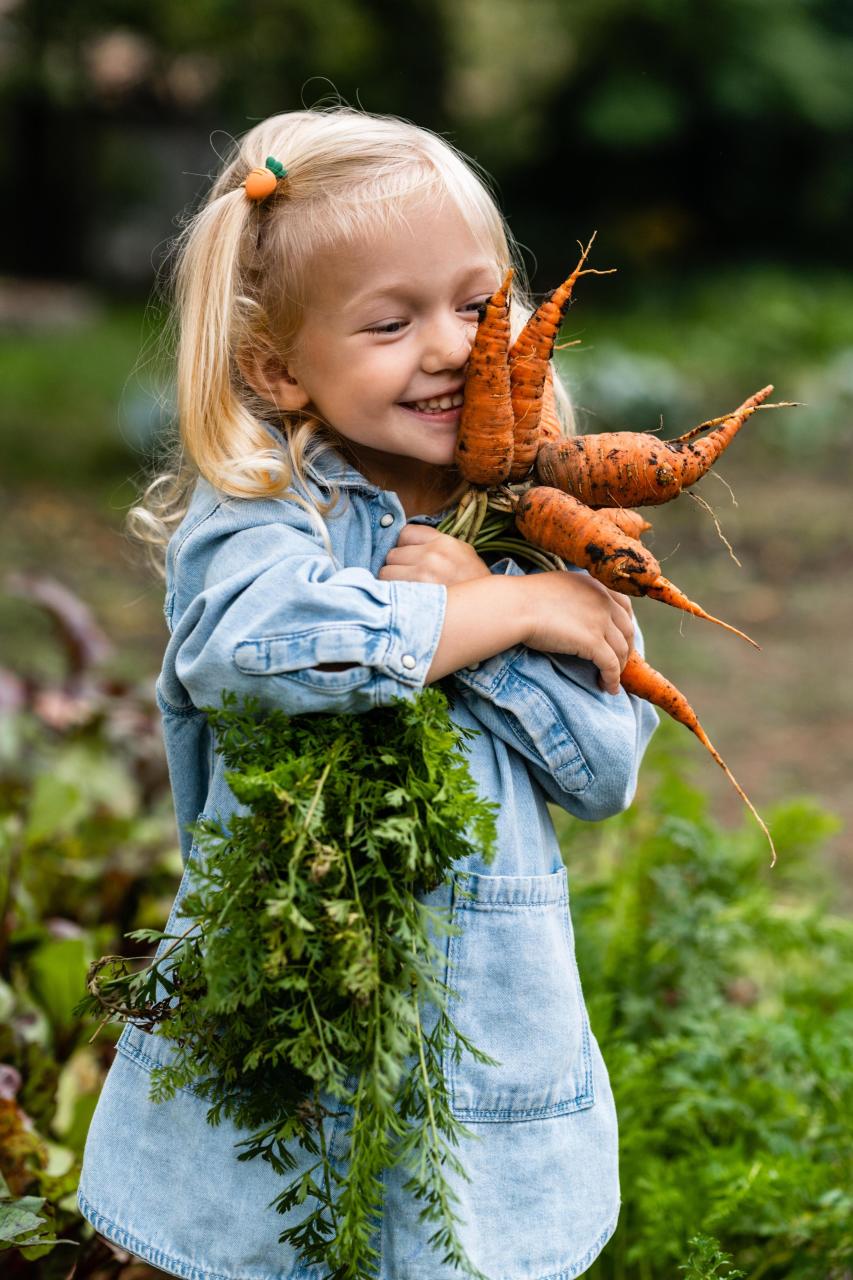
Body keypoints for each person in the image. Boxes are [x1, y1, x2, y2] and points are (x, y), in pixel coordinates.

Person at [77, 105, 659, 1280]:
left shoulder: (542, 534)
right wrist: (501, 614)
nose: (447, 346)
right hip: (280, 1031)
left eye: (474, 304)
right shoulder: (260, 519)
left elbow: (604, 770)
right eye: (390, 322)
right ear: (278, 367)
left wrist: (505, 608)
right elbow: (264, 649)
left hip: (478, 1053)